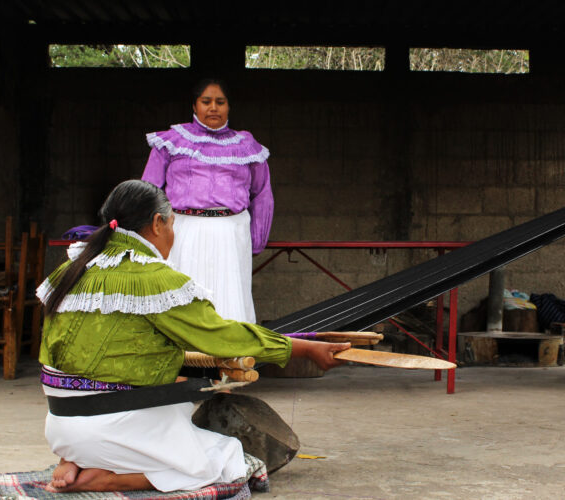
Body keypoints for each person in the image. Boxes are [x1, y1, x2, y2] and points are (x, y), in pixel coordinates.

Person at [37, 180, 348, 493]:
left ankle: (76, 458)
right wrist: (303, 349)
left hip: (60, 425)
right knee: (225, 461)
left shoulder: (70, 271)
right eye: (172, 224)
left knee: (175, 405)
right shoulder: (154, 280)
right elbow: (223, 336)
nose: (173, 235)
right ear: (157, 223)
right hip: (110, 427)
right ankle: (106, 478)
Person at [141, 78, 270, 323]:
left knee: (230, 299)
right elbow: (148, 191)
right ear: (194, 105)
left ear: (229, 106)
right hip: (182, 229)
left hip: (231, 232)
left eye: (220, 102)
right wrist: (149, 236)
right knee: (184, 297)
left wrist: (257, 239)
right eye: (206, 101)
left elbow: (262, 193)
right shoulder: (171, 142)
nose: (213, 108)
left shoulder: (246, 146)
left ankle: (230, 346)